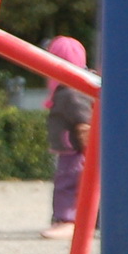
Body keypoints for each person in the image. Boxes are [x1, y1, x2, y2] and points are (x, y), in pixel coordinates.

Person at [39, 35, 92, 240]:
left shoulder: (71, 92)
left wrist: (87, 146)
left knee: (68, 184)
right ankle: (64, 218)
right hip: (71, 147)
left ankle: (68, 220)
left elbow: (84, 121)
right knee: (67, 183)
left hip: (74, 149)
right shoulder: (76, 86)